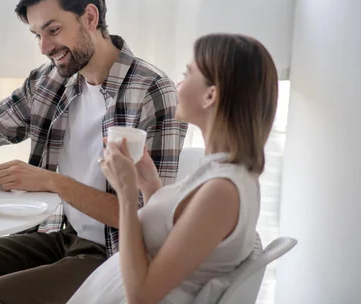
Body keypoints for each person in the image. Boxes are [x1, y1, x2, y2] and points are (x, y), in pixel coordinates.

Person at [0, 0, 188, 304]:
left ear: (90, 17)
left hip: (116, 254)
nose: (45, 47)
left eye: (54, 30)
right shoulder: (53, 81)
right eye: (37, 35)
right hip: (62, 236)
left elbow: (147, 216)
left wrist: (51, 181)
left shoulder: (151, 91)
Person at [68, 33, 279, 304]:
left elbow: (142, 296)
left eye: (187, 74)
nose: (177, 84)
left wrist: (126, 194)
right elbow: (177, 231)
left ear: (210, 95)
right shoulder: (220, 171)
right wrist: (149, 184)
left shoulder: (223, 191)